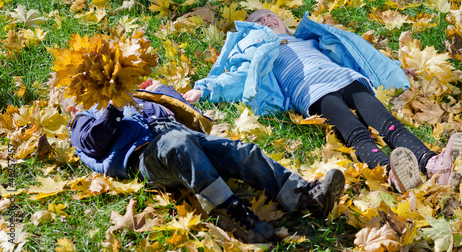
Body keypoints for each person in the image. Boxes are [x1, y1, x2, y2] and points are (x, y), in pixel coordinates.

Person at [183, 9, 462, 193]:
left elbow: (360, 56)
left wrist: (394, 71)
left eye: (270, 16)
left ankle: (433, 163)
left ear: (284, 22)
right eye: (257, 21)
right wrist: (205, 90)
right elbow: (238, 78)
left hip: (347, 80)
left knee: (388, 123)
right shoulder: (259, 52)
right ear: (253, 32)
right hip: (312, 93)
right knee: (356, 133)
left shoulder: (310, 41)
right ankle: (390, 172)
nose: (266, 20)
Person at [65, 79, 345, 243]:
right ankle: (231, 212)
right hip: (145, 156)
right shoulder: (80, 120)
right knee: (177, 144)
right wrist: (113, 106)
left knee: (242, 151)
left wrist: (159, 90)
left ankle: (304, 197)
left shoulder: (138, 97)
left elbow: (182, 112)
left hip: (183, 136)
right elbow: (95, 143)